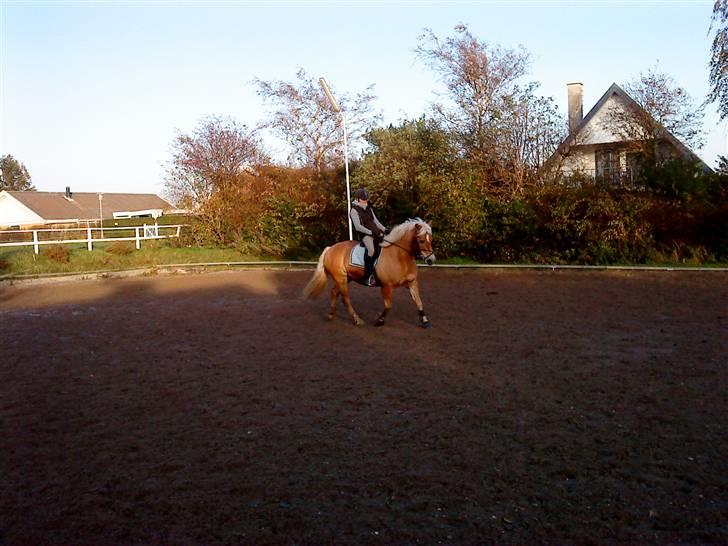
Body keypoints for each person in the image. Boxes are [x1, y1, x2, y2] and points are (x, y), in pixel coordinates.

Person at [349, 188, 388, 286]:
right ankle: (367, 276)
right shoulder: (354, 211)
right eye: (363, 199)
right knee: (371, 250)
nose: (365, 200)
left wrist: (384, 229)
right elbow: (358, 227)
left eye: (366, 198)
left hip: (376, 232)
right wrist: (370, 232)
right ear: (358, 199)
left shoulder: (369, 209)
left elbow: (376, 222)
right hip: (365, 235)